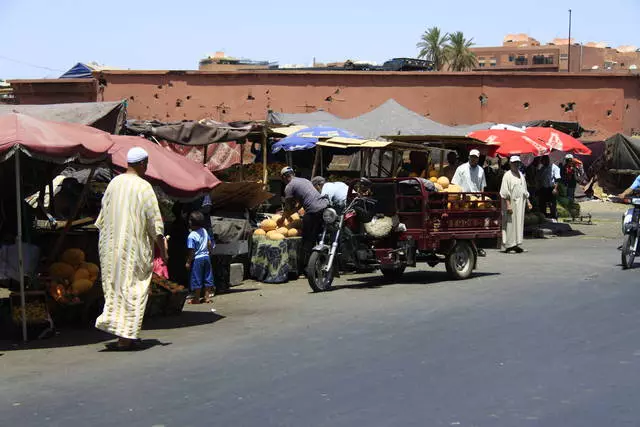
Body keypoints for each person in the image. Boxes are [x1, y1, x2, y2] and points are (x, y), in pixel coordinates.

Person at [95, 147, 167, 351]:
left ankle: (122, 332)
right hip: (133, 249)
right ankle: (125, 337)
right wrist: (163, 250)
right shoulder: (144, 187)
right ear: (143, 163)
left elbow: (102, 217)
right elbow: (156, 225)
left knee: (116, 287)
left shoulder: (113, 184)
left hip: (110, 248)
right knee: (133, 289)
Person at [278, 167, 329, 269]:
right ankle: (321, 261)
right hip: (325, 207)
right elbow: (301, 203)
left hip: (313, 211)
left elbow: (288, 207)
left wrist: (283, 218)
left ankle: (306, 267)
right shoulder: (304, 180)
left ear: (284, 177)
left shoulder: (289, 186)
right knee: (320, 236)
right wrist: (294, 211)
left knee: (307, 240)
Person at [500, 155, 533, 254]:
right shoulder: (507, 175)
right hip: (511, 203)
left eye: (517, 163)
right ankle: (509, 246)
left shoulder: (521, 175)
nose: (516, 164)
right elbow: (504, 192)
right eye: (514, 163)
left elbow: (524, 190)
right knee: (510, 224)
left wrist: (528, 202)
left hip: (520, 204)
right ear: (510, 164)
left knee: (518, 224)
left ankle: (517, 244)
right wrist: (508, 205)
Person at [186, 211, 215, 304]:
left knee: (197, 278)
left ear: (191, 223)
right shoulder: (204, 231)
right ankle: (207, 297)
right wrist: (210, 252)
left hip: (197, 259)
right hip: (206, 257)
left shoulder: (191, 236)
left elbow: (192, 251)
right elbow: (209, 244)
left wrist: (188, 262)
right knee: (207, 277)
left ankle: (196, 298)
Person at [535, 155, 561, 220]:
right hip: (543, 188)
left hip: (551, 188)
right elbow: (539, 179)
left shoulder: (554, 167)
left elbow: (557, 179)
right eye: (541, 162)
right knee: (542, 204)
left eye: (543, 161)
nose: (542, 163)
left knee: (552, 204)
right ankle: (544, 217)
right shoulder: (542, 169)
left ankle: (553, 217)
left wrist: (555, 189)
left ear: (547, 160)